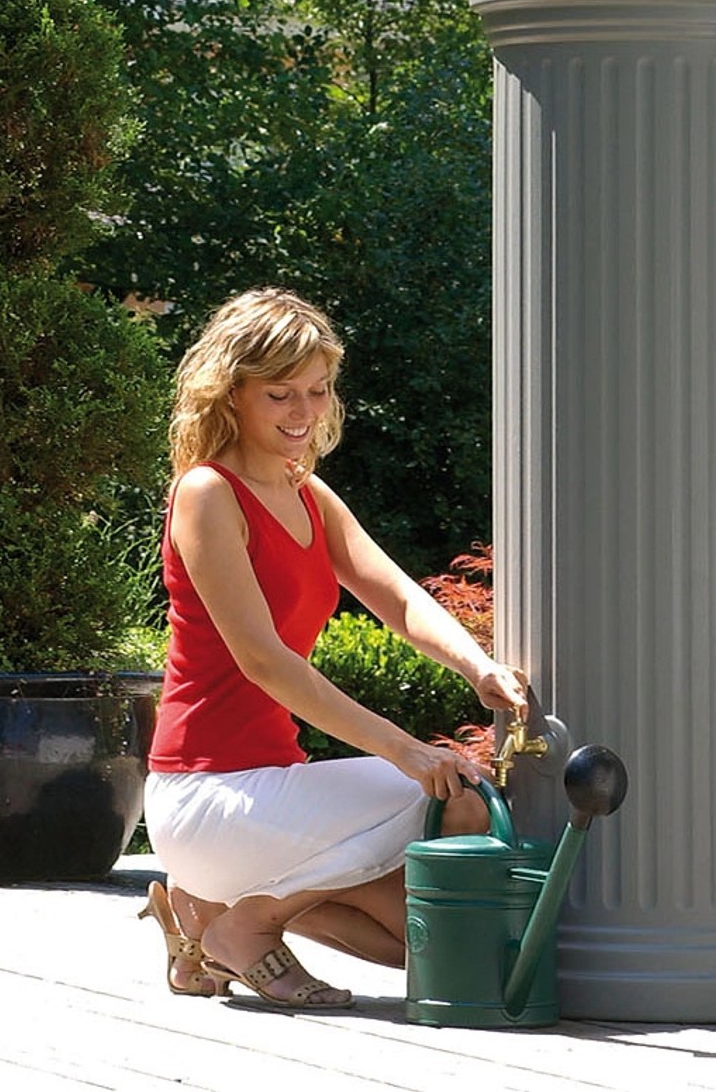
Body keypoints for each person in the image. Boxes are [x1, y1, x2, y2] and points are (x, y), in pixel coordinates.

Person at [138, 288, 529, 1010]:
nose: (303, 411)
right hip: (208, 794)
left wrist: (477, 666)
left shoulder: (308, 494)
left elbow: (400, 598)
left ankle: (206, 913)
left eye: (317, 390)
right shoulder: (207, 493)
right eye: (279, 394)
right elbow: (263, 660)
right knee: (465, 798)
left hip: (274, 796)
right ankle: (245, 924)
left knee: (416, 937)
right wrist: (408, 752)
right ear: (231, 393)